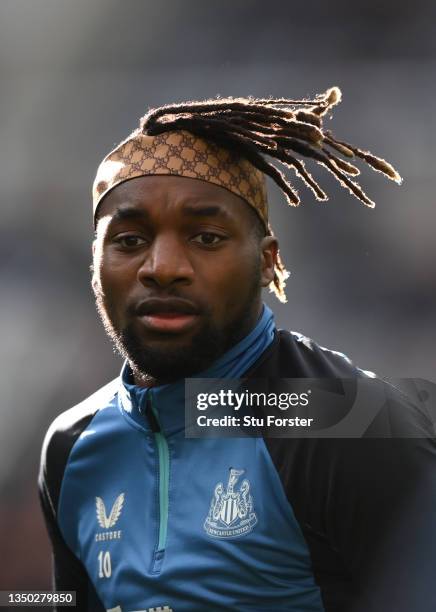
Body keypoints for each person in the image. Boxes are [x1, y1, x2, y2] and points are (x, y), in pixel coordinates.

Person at [39, 88, 436, 612]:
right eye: (129, 240)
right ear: (96, 264)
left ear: (268, 261)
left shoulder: (350, 427)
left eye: (205, 237)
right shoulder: (71, 447)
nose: (162, 267)